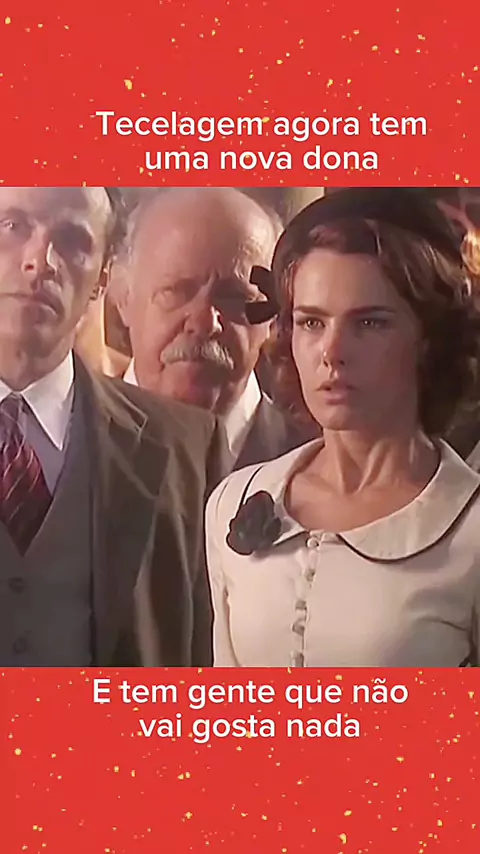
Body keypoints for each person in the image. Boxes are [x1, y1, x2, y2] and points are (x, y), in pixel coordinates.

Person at [206, 188, 480, 668]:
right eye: (312, 323)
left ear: (427, 339)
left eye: (369, 323)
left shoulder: (468, 527)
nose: (332, 352)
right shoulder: (234, 501)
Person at [0, 186, 224, 667]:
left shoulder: (185, 445)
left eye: (72, 240)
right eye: (13, 226)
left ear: (102, 277)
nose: (40, 261)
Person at [111, 188, 317, 472]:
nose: (205, 323)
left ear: (276, 315)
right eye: (177, 291)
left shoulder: (320, 468)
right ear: (122, 297)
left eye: (235, 298)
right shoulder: (63, 447)